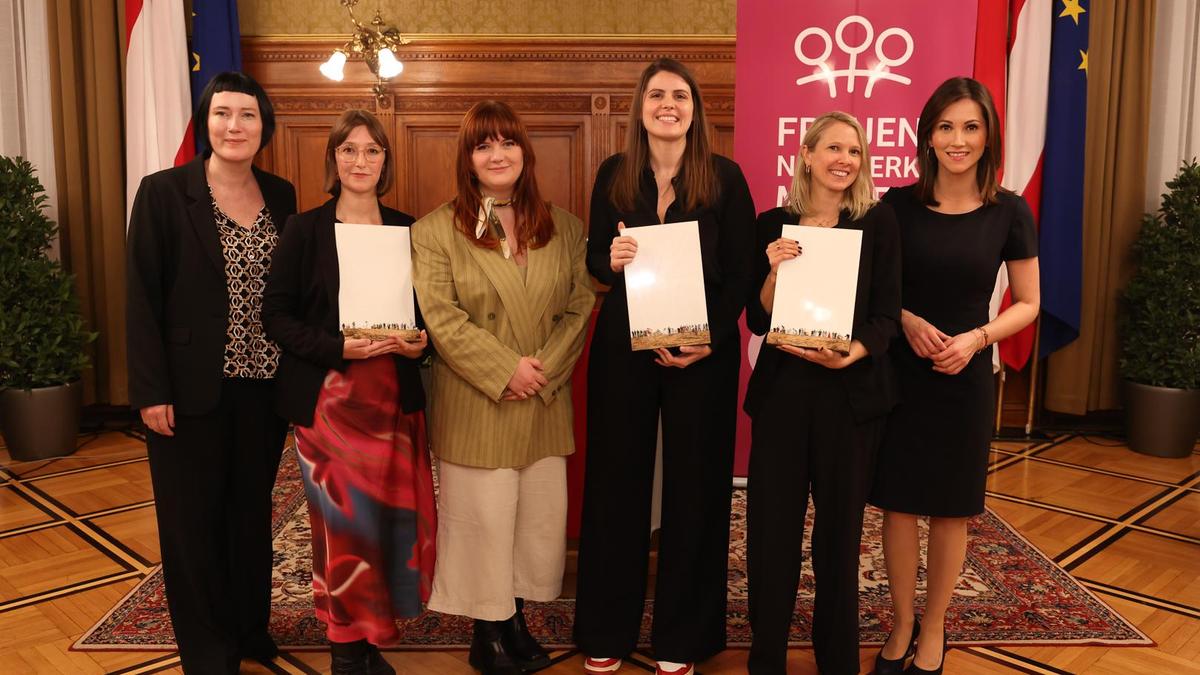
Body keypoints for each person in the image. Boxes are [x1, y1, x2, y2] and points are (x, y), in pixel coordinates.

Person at [574, 58, 756, 675]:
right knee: (615, 485)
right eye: (657, 94)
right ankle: (605, 630)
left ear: (695, 109)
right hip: (625, 345)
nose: (669, 104)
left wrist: (714, 338)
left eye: (680, 95)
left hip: (703, 355)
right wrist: (615, 256)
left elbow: (743, 273)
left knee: (696, 489)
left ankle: (684, 637)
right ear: (641, 107)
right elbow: (596, 261)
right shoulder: (613, 175)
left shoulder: (725, 178)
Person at [410, 100, 595, 675]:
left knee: (534, 522)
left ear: (524, 152)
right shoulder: (436, 230)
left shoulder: (563, 227)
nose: (497, 154)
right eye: (483, 145)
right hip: (477, 399)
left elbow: (580, 304)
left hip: (540, 397)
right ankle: (485, 633)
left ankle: (513, 620)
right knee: (484, 522)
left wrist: (539, 370)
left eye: (507, 142)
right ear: (468, 159)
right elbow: (442, 318)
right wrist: (504, 371)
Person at [125, 71, 296, 673]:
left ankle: (249, 629)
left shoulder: (282, 195)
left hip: (265, 388)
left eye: (247, 115)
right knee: (191, 524)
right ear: (206, 121)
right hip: (187, 389)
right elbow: (141, 298)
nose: (234, 126)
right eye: (223, 113)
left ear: (263, 127)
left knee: (249, 514)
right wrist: (150, 390)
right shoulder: (164, 192)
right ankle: (206, 647)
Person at [869, 77, 1040, 675]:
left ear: (987, 134)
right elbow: (876, 289)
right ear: (928, 134)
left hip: (964, 376)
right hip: (900, 374)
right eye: (946, 127)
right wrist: (907, 320)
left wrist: (976, 339)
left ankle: (935, 625)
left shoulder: (1010, 211)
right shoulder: (895, 205)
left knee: (949, 508)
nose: (958, 139)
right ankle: (900, 622)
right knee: (895, 504)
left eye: (970, 127)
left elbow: (1027, 302)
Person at [262, 109, 435, 675]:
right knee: (342, 530)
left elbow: (429, 316)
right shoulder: (304, 229)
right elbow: (277, 317)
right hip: (331, 406)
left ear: (386, 161)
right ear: (334, 158)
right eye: (349, 150)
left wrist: (420, 344)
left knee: (385, 528)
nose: (361, 161)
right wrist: (339, 347)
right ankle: (343, 647)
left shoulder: (411, 229)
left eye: (372, 151)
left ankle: (370, 641)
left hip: (392, 402)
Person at [743, 112, 901, 674]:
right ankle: (767, 657)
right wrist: (771, 274)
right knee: (772, 533)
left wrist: (853, 352)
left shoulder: (877, 223)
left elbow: (886, 316)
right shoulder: (771, 222)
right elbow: (756, 319)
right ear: (806, 154)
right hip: (784, 398)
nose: (844, 160)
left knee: (840, 535)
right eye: (833, 147)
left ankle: (837, 659)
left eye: (854, 151)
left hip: (850, 399)